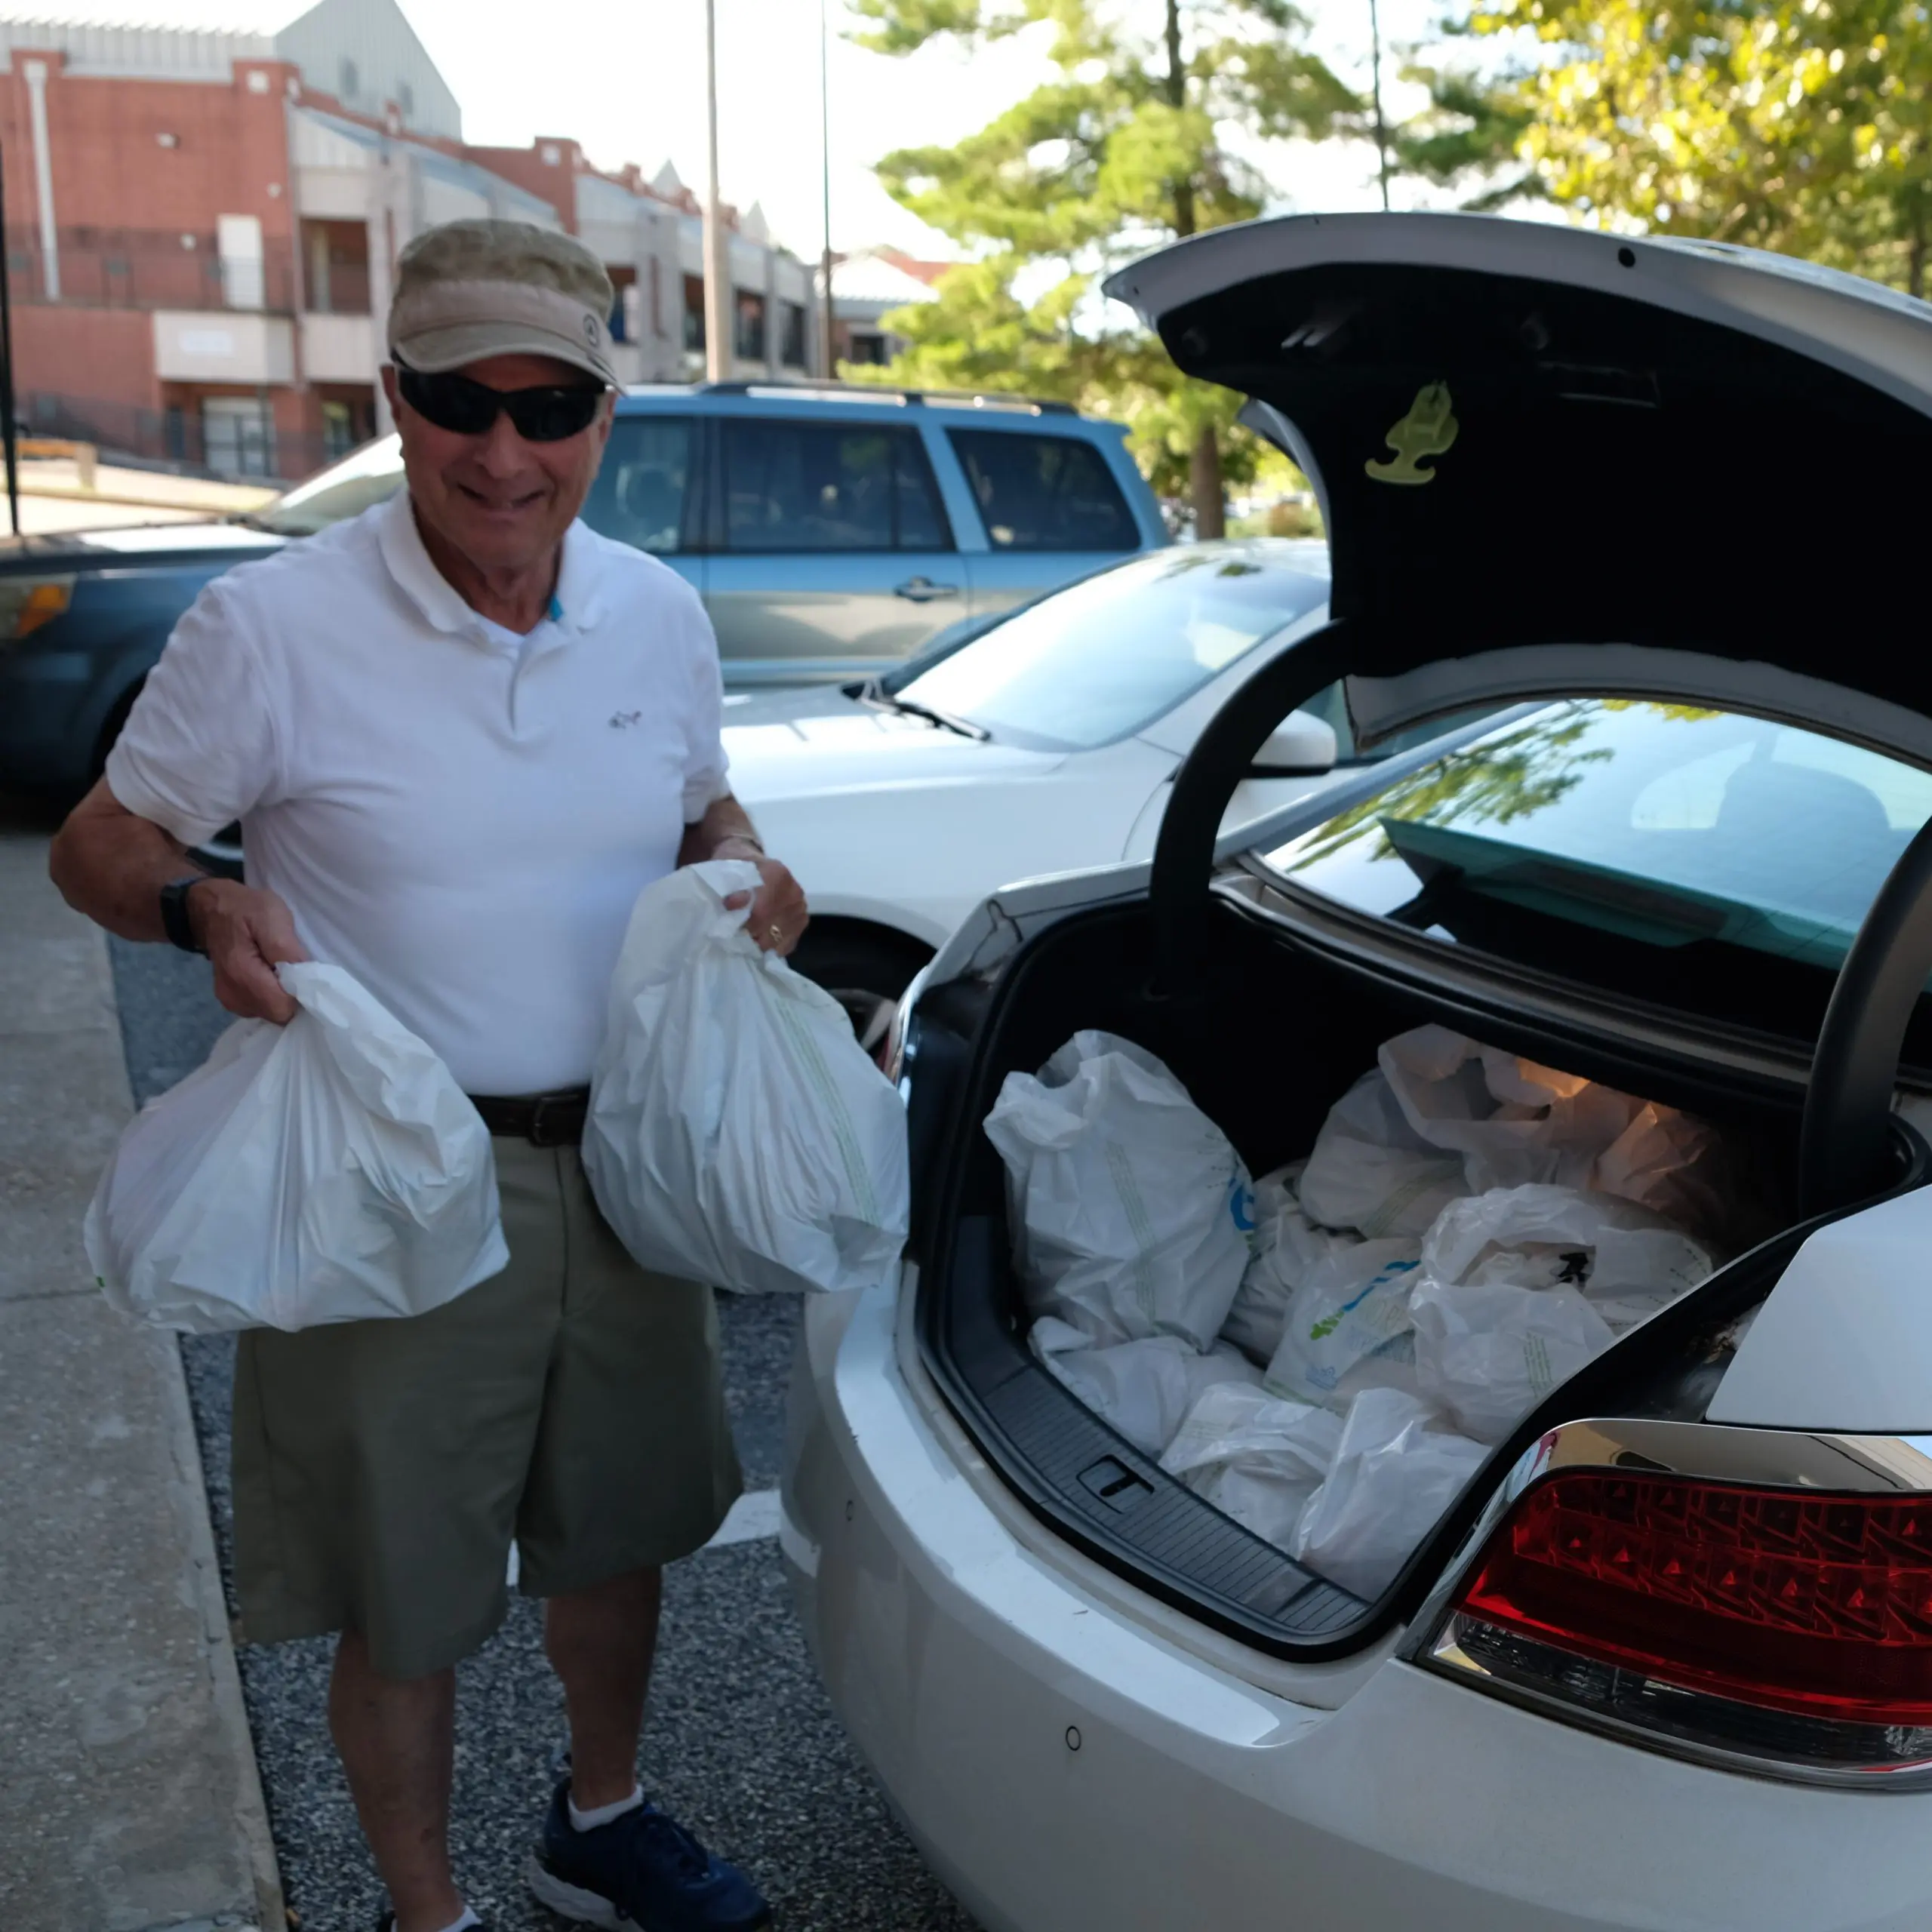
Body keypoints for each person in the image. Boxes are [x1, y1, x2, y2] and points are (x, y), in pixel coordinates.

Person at [49, 219, 797, 1932]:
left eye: (550, 408)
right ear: (395, 399)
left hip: (621, 1160)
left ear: (606, 417)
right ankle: (423, 1909)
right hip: (386, 1167)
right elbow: (98, 839)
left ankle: (597, 1820)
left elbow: (702, 806)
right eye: (463, 401)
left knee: (618, 1531)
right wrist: (199, 899)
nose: (505, 452)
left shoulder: (657, 615)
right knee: (408, 1584)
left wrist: (753, 862)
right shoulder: (272, 623)